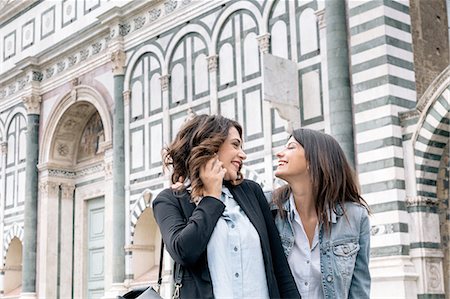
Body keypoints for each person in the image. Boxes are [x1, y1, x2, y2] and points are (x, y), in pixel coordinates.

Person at [152, 114, 300, 299]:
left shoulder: (251, 192)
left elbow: (280, 267)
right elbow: (184, 252)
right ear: (211, 146)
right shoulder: (169, 200)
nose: (243, 154)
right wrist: (212, 196)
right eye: (235, 145)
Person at [271, 128, 370, 299]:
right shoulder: (268, 208)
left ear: (313, 159)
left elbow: (359, 289)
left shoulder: (355, 216)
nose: (280, 153)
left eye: (291, 147)